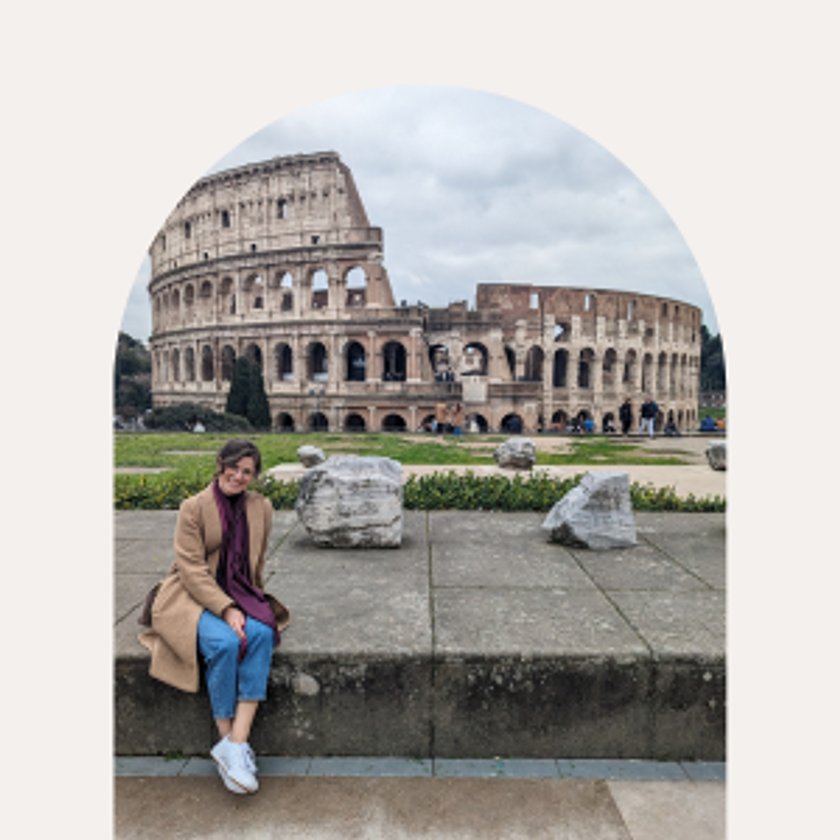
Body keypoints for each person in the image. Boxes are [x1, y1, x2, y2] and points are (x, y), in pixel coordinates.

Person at [138, 439, 289, 795]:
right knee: (223, 643)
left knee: (262, 634)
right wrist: (227, 608)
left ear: (254, 476)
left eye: (247, 472)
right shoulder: (193, 507)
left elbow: (256, 563)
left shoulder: (260, 507)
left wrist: (248, 603)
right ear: (220, 464)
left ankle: (236, 743)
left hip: (240, 592)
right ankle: (227, 743)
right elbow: (191, 569)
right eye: (233, 467)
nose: (238, 476)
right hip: (191, 596)